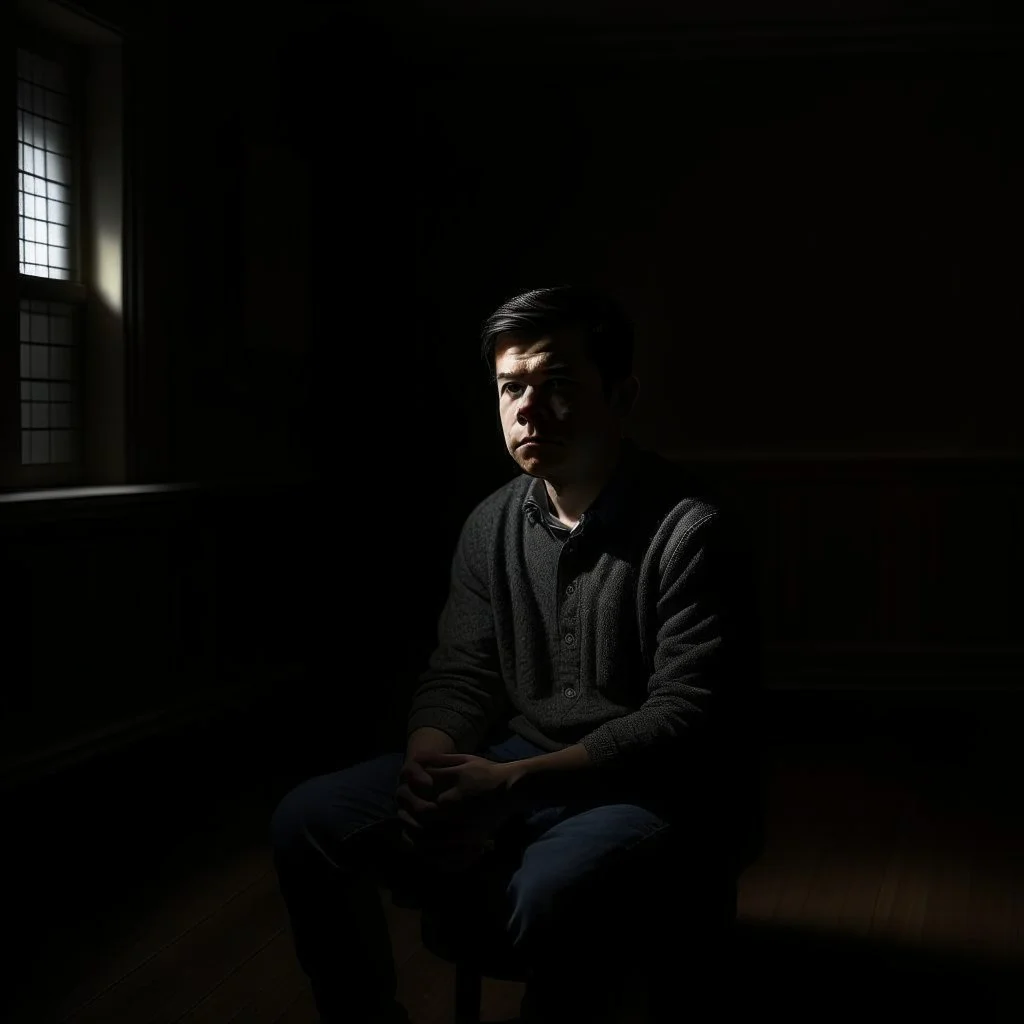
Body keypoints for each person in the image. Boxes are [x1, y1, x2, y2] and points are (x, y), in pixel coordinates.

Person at [270, 285, 763, 1024]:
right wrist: (427, 767)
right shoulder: (493, 522)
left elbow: (685, 719)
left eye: (557, 384)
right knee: (308, 819)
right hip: (515, 761)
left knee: (552, 893)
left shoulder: (689, 530)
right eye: (511, 388)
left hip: (653, 788)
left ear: (622, 395)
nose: (527, 408)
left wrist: (510, 788)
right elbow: (461, 671)